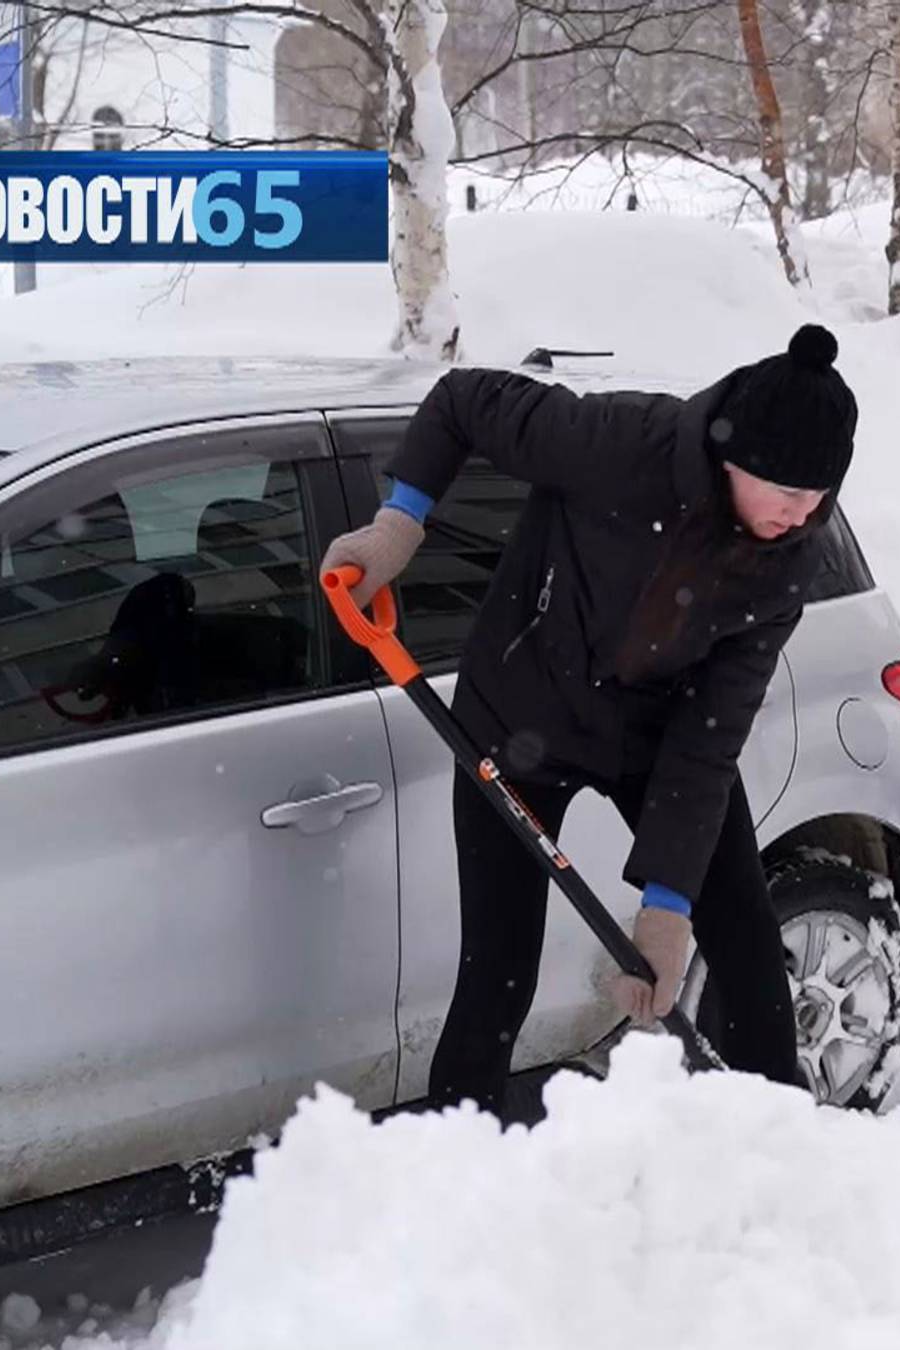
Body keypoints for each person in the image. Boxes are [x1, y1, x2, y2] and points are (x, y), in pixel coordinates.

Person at [322, 324, 858, 1117]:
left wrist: (666, 905)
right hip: (519, 719)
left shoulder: (789, 560)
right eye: (785, 492)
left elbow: (712, 733)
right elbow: (462, 402)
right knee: (499, 970)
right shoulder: (617, 441)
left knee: (744, 943)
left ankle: (776, 1150)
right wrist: (400, 522)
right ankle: (451, 1164)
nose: (800, 514)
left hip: (653, 737)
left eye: (819, 498)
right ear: (734, 457)